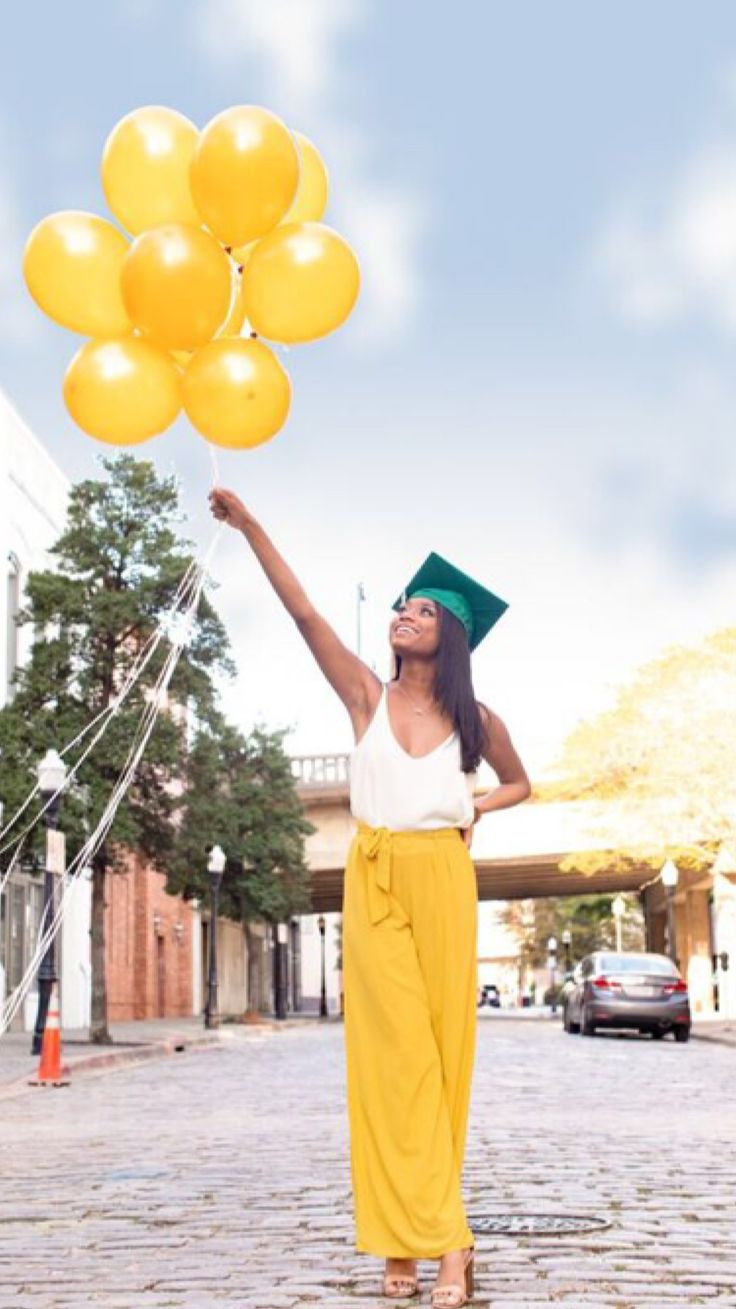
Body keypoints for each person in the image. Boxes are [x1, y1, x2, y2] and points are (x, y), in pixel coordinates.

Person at [208, 488, 531, 1306]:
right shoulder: (364, 696)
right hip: (376, 875)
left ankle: (412, 1241)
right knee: (392, 1066)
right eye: (400, 606)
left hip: (444, 882)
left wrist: (474, 807)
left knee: (443, 1061)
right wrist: (250, 526)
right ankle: (441, 1243)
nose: (403, 614)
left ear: (449, 633)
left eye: (421, 610)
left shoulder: (476, 718)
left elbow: (521, 783)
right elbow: (304, 612)